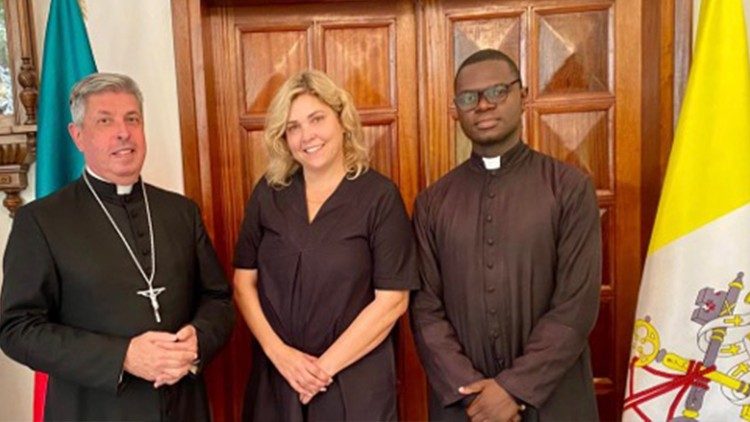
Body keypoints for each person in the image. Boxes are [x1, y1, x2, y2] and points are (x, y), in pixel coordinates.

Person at [0, 73, 234, 421]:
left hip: (184, 408)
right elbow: (17, 329)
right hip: (94, 411)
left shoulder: (180, 211)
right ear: (77, 136)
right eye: (104, 121)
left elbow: (218, 299)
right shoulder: (40, 221)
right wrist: (122, 356)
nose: (123, 132)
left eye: (132, 119)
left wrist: (197, 340)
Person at [410, 49, 601, 421]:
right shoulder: (433, 202)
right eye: (468, 98)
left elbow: (575, 306)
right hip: (467, 407)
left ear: (522, 95)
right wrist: (473, 394)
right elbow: (425, 312)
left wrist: (513, 389)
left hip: (553, 398)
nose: (483, 105)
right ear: (456, 110)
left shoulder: (569, 188)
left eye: (497, 91)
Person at [233, 69, 417, 421]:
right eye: (293, 127)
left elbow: (392, 301)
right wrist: (281, 356)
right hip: (278, 377)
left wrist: (320, 371)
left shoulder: (379, 196)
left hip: (353, 382)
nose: (307, 136)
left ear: (342, 120)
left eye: (316, 119)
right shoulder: (268, 193)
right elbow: (244, 283)